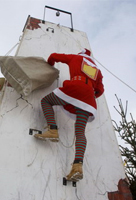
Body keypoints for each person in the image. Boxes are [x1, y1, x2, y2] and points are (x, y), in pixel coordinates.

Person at [34, 49, 104, 182]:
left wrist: (50, 67)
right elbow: (100, 90)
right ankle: (77, 166)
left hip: (75, 87)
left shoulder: (75, 58)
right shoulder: (98, 71)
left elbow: (53, 56)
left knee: (46, 101)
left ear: (80, 54)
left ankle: (53, 129)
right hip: (88, 97)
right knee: (80, 132)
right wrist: (89, 94)